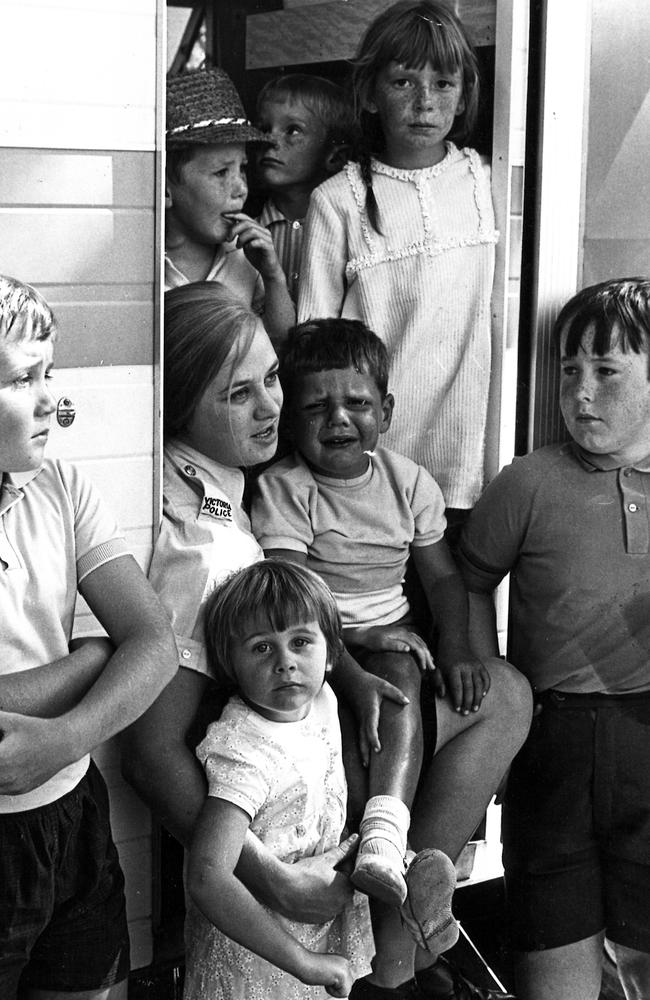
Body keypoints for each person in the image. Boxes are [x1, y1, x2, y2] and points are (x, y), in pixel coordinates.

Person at [121, 283, 408, 957]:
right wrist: (268, 879)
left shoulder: (214, 476)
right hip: (256, 818)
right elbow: (151, 753)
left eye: (272, 378)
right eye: (238, 394)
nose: (271, 406)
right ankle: (401, 951)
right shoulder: (205, 553)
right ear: (180, 405)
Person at [252, 318, 531, 1000]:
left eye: (356, 404)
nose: (338, 420)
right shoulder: (289, 489)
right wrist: (350, 656)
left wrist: (464, 649)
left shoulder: (407, 483)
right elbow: (293, 597)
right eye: (316, 407)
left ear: (387, 411)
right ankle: (387, 842)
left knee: (429, 671)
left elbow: (441, 580)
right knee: (398, 678)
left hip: (396, 631)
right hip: (323, 643)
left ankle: (405, 876)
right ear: (291, 416)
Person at [458, 278, 650, 1000]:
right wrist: (491, 692)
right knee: (552, 958)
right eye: (570, 371)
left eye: (608, 371)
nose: (582, 393)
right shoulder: (529, 484)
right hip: (553, 749)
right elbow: (469, 584)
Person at [0, 274, 178, 999]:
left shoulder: (60, 487)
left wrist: (68, 738)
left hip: (73, 814)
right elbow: (120, 645)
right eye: (23, 379)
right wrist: (90, 660)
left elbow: (156, 641)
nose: (52, 400)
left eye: (51, 373)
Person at [297, 0, 497, 540]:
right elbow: (314, 346)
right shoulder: (339, 201)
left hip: (473, 457)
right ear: (369, 93)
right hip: (373, 466)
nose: (424, 102)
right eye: (403, 82)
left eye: (443, 83)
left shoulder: (488, 182)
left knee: (457, 599)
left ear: (464, 96)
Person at [185, 559, 374, 1000]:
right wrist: (304, 964)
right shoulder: (243, 749)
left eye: (302, 642)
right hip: (254, 963)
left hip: (317, 939)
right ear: (230, 664)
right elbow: (207, 877)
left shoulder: (323, 700)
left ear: (331, 654)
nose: (286, 663)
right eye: (261, 648)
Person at [165, 67, 294, 344]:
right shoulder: (143, 271)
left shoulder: (243, 260)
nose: (241, 189)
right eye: (221, 173)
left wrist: (273, 277)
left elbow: (281, 346)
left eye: (242, 170)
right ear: (165, 190)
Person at [254, 73, 355, 302]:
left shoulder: (346, 230)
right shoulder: (248, 231)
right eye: (263, 128)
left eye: (293, 130)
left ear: (335, 156)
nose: (270, 140)